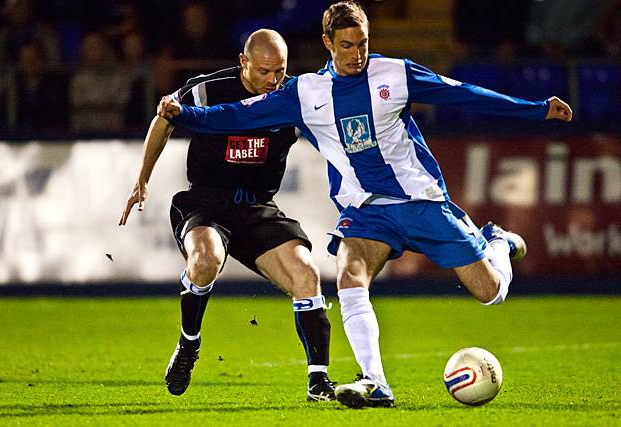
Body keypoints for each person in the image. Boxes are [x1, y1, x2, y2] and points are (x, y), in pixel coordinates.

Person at [159, 1, 573, 409]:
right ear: (327, 43)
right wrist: (187, 116)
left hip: (420, 201)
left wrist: (536, 110)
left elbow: (464, 95)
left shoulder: (394, 73)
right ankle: (375, 383)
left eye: (363, 43)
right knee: (349, 278)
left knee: (491, 292)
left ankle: (496, 243)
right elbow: (237, 115)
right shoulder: (306, 93)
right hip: (366, 211)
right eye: (346, 45)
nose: (357, 54)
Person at [119, 29, 336, 402]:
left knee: (307, 273)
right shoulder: (208, 90)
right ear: (243, 62)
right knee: (206, 259)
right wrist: (142, 179)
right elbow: (164, 117)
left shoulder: (294, 97)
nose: (272, 81)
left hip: (256, 207)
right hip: (207, 201)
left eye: (279, 72)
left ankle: (318, 382)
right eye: (264, 71)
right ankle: (189, 343)